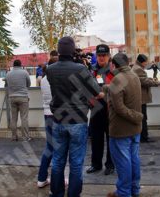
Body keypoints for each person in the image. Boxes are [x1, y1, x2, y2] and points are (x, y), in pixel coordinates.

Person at [46, 36, 104, 197]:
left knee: (58, 160)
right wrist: (84, 67)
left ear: (58, 50)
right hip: (78, 120)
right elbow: (96, 91)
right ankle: (73, 194)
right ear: (73, 51)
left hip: (58, 119)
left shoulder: (50, 70)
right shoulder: (80, 69)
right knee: (76, 163)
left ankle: (56, 193)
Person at [107, 53, 143, 197]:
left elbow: (119, 108)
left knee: (123, 163)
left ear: (113, 65)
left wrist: (136, 117)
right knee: (134, 159)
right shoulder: (134, 76)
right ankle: (135, 190)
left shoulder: (117, 79)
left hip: (121, 130)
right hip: (135, 129)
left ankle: (123, 193)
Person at [87, 44, 115, 175]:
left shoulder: (114, 70)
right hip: (96, 110)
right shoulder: (92, 70)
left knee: (111, 140)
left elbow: (119, 89)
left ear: (109, 56)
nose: (101, 58)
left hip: (111, 110)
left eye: (104, 55)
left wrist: (107, 94)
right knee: (96, 139)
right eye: (99, 55)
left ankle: (110, 165)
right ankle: (96, 164)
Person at [37, 59, 57, 188]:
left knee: (49, 148)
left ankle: (41, 178)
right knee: (60, 149)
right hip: (58, 115)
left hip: (47, 114)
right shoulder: (56, 79)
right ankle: (57, 180)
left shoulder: (43, 80)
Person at [132, 54, 160, 143]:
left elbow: (144, 78)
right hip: (141, 98)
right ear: (142, 62)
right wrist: (155, 82)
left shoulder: (136, 67)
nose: (147, 63)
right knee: (143, 118)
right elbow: (143, 81)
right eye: (146, 62)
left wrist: (151, 79)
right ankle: (143, 137)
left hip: (139, 98)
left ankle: (142, 136)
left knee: (142, 117)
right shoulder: (138, 69)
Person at [5, 60, 31, 141]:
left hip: (12, 98)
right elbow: (29, 84)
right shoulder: (24, 72)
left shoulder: (8, 74)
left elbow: (7, 85)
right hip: (23, 97)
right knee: (24, 118)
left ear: (13, 65)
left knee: (13, 118)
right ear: (21, 65)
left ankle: (14, 136)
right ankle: (25, 137)